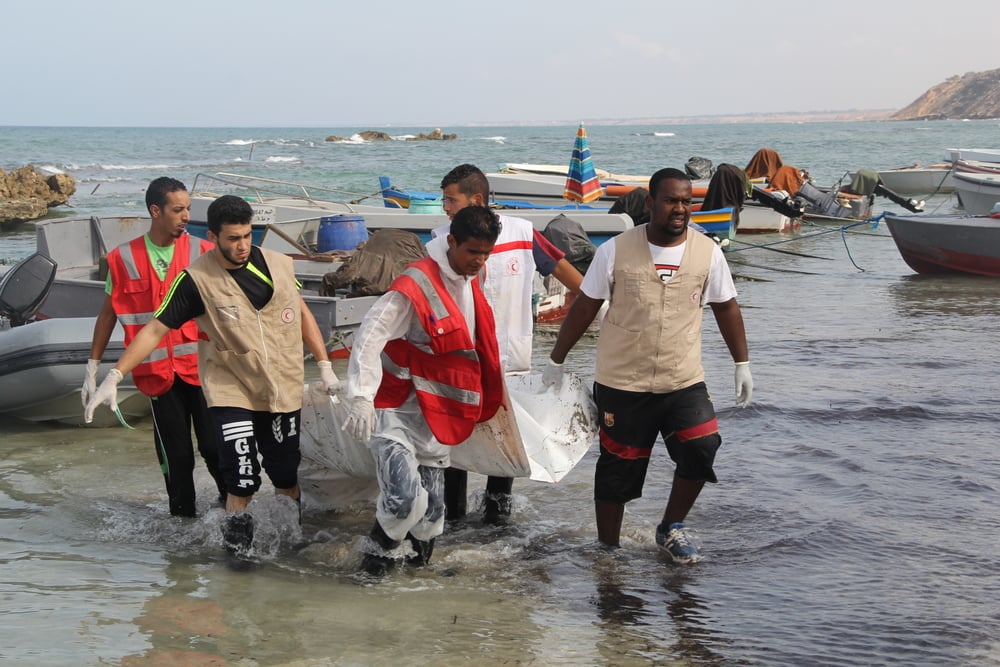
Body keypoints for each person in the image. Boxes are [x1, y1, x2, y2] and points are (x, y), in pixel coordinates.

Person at [85, 195, 339, 561]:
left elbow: (301, 314)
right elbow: (155, 330)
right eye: (233, 238)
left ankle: (291, 544)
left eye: (247, 236)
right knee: (241, 475)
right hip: (231, 387)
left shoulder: (280, 265)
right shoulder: (196, 279)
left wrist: (325, 364)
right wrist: (112, 373)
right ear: (215, 236)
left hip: (281, 386)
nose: (241, 246)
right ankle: (238, 557)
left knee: (284, 473)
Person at [542, 167, 753, 564]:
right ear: (651, 203)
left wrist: (742, 362)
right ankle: (608, 548)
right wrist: (557, 360)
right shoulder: (615, 250)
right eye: (671, 200)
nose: (680, 209)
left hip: (682, 378)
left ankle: (671, 527)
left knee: (702, 447)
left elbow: (726, 307)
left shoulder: (708, 251)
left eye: (686, 201)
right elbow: (586, 305)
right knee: (618, 470)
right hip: (623, 382)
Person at [341, 205, 504, 576]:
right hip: (396, 410)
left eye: (485, 253)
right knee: (402, 502)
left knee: (431, 513)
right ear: (451, 242)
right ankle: (366, 577)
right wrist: (361, 396)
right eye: (472, 252)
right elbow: (370, 334)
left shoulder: (469, 281)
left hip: (435, 415)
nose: (479, 261)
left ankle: (419, 586)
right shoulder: (416, 284)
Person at [436, 163, 584, 525]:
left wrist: (600, 309)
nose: (445, 208)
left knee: (503, 443)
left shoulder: (521, 232)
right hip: (460, 360)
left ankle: (496, 518)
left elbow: (573, 279)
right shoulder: (442, 238)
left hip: (510, 360)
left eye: (450, 200)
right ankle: (453, 520)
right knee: (453, 445)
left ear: (477, 200)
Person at [81, 176, 226, 518]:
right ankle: (182, 530)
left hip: (202, 368)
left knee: (213, 447)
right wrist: (93, 369)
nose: (186, 216)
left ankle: (232, 510)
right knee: (176, 456)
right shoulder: (121, 258)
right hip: (157, 374)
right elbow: (107, 315)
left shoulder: (202, 252)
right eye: (178, 210)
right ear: (155, 211)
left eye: (188, 208)